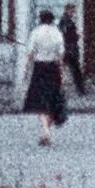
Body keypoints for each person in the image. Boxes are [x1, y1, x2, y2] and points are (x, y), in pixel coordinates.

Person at [22, 8, 69, 137]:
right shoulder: (57, 33)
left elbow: (30, 53)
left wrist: (26, 70)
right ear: (52, 20)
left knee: (40, 101)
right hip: (53, 68)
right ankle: (47, 129)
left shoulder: (36, 33)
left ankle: (44, 130)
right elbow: (61, 55)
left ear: (40, 19)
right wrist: (62, 74)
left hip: (39, 68)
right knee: (52, 99)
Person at [58, 4, 86, 98]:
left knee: (66, 70)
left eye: (73, 11)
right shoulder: (66, 22)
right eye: (71, 10)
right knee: (75, 70)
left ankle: (79, 89)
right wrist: (76, 36)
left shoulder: (66, 21)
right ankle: (80, 89)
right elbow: (65, 35)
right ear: (67, 10)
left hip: (68, 48)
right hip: (69, 49)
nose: (73, 13)